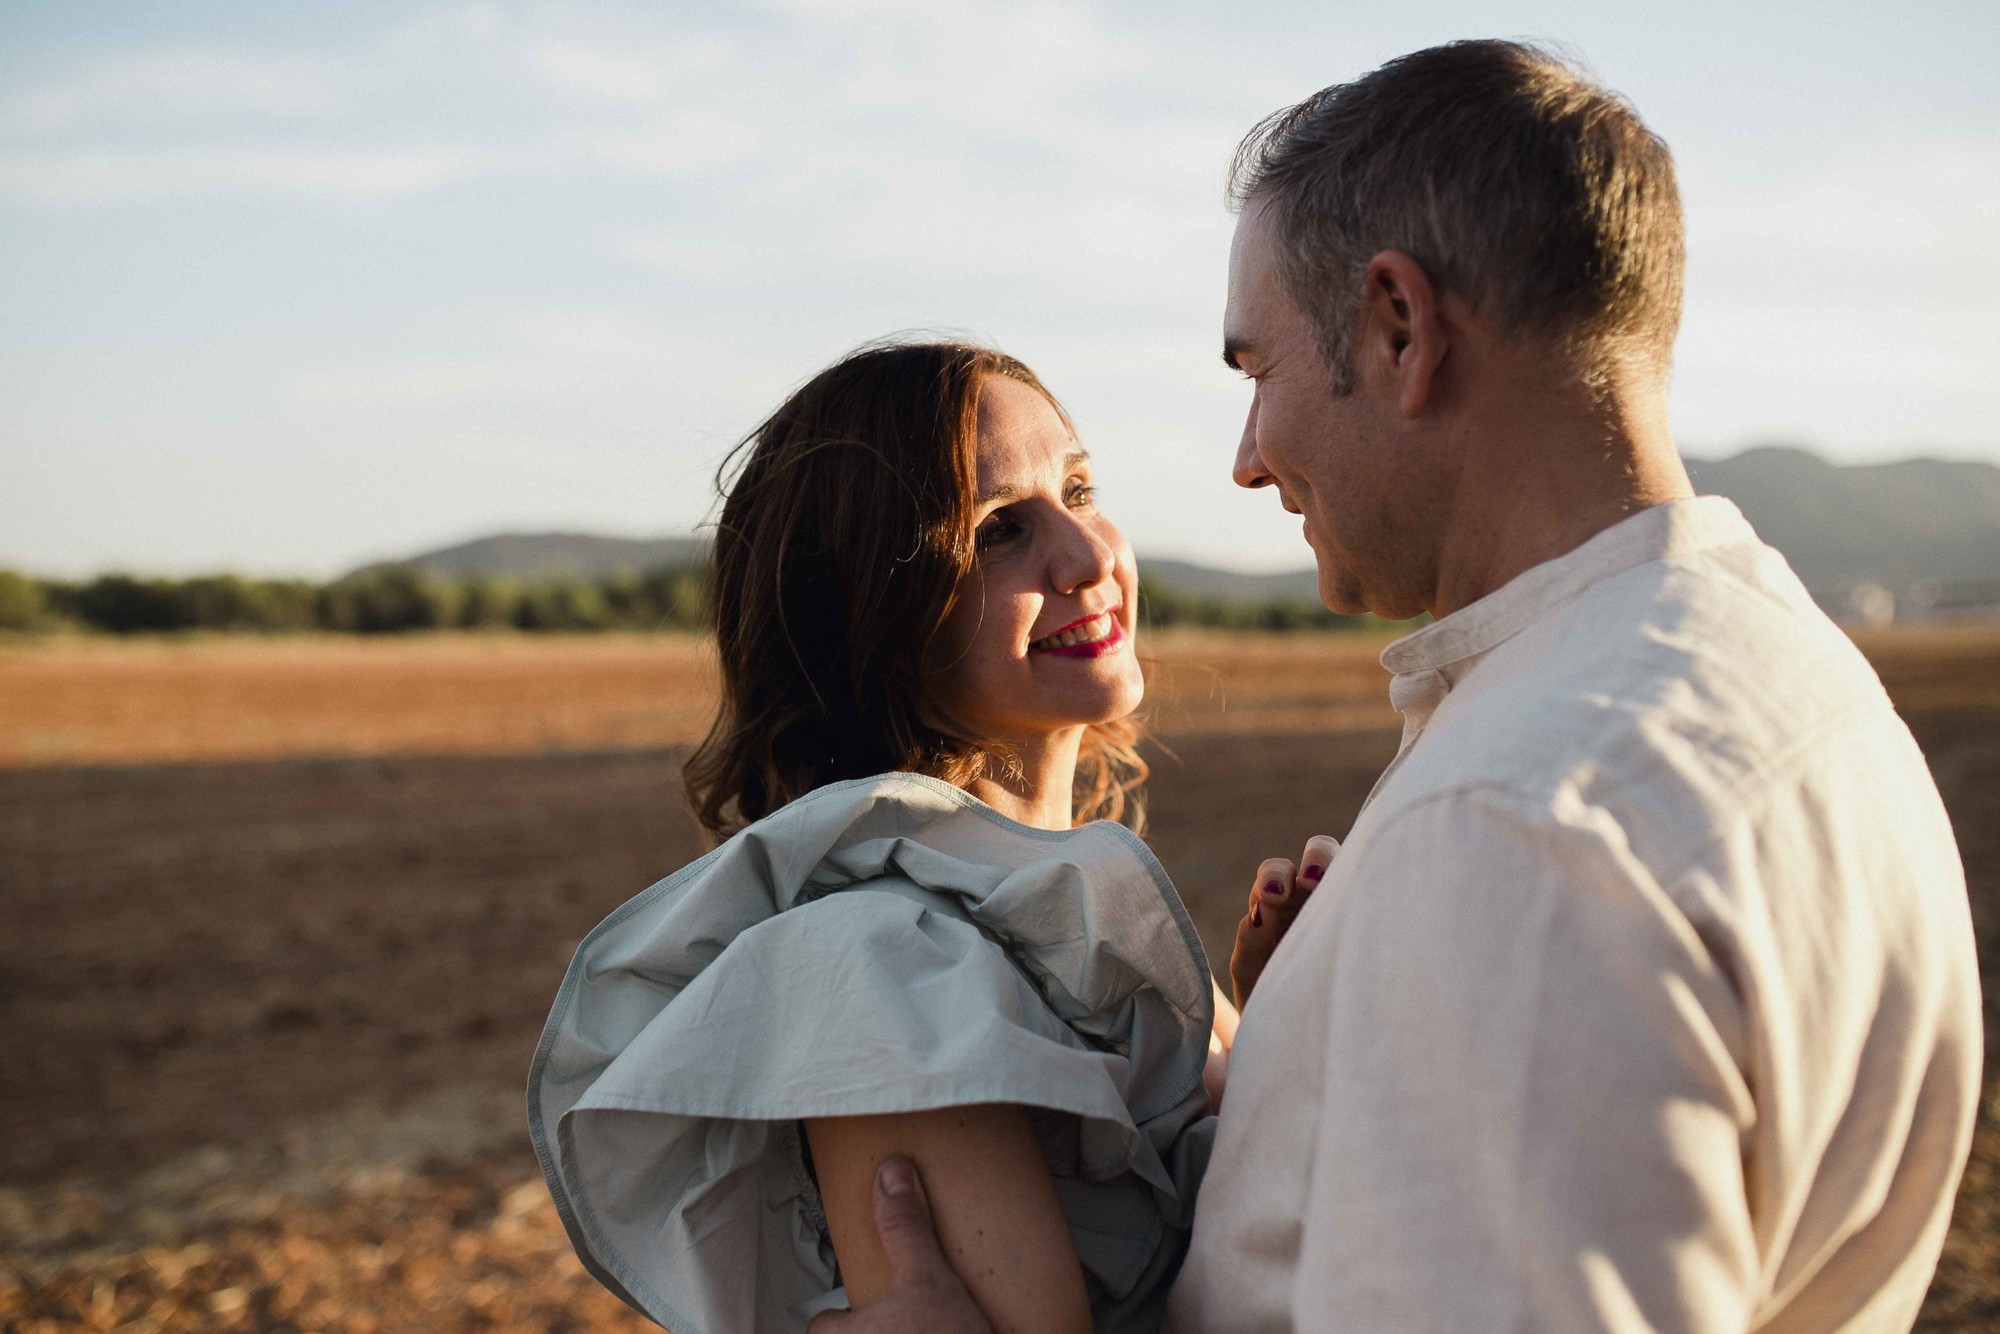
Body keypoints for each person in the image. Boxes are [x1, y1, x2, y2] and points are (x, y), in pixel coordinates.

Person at [815, 40, 1983, 1333]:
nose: (1250, 459)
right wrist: (1302, 1061)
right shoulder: (1800, 681)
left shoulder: (1516, 825)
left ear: (1398, 326)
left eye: (1255, 370)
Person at [529, 340, 1283, 1334]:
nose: (1090, 554)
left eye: (1079, 486)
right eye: (999, 529)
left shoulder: (1056, 904)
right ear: (870, 615)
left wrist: (1288, 1030)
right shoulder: (878, 964)